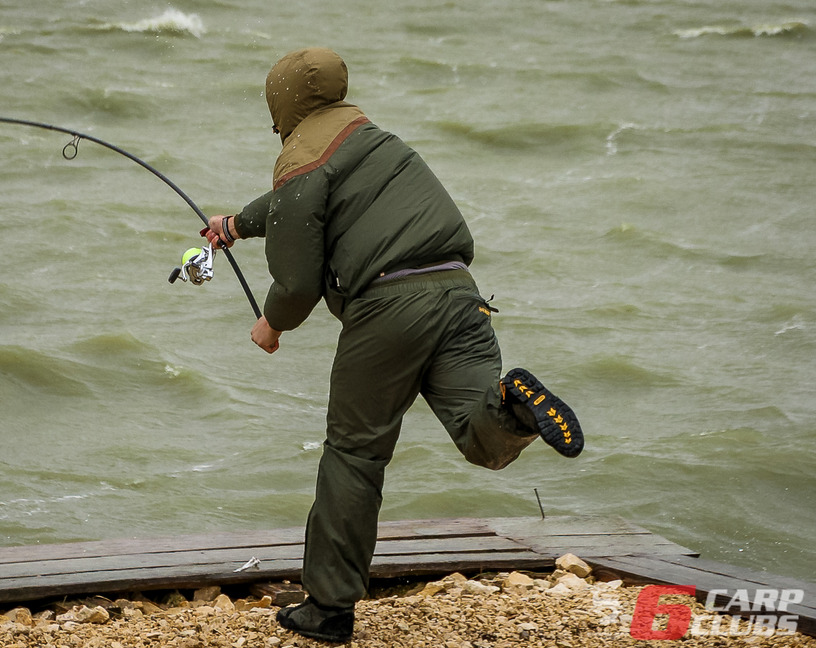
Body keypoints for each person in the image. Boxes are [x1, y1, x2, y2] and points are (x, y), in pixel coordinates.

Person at [202, 47, 584, 643]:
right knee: (480, 431)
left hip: (389, 307)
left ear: (282, 101)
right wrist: (236, 225)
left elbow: (298, 280)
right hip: (459, 293)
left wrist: (272, 324)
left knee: (354, 455)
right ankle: (514, 406)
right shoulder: (376, 140)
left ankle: (328, 610)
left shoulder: (301, 158)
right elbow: (299, 206)